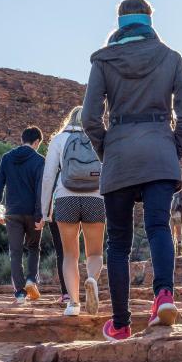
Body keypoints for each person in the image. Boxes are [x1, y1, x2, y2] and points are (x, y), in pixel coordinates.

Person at [82, 0, 182, 341]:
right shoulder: (171, 58)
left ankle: (120, 324)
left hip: (118, 153)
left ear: (120, 22)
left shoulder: (103, 60)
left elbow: (89, 118)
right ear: (149, 20)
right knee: (159, 227)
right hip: (160, 151)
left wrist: (107, 149)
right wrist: (171, 149)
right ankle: (163, 295)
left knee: (117, 243)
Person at [41, 106, 106, 317]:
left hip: (65, 197)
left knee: (69, 255)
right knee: (94, 252)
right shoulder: (99, 138)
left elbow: (49, 177)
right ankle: (92, 281)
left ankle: (74, 304)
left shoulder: (59, 140)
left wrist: (45, 210)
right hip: (95, 198)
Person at [0, 126, 45, 304]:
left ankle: (20, 293)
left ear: (22, 140)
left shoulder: (7, 158)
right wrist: (40, 214)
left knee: (15, 252)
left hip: (12, 213)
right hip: (32, 212)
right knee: (34, 247)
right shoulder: (39, 161)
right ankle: (31, 280)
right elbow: (40, 190)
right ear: (36, 142)